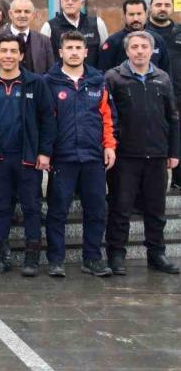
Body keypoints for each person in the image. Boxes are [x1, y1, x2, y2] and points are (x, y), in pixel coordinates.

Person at [0, 34, 55, 277]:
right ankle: (0, 256)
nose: (8, 55)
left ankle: (32, 258)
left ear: (21, 55)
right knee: (1, 207)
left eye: (13, 51)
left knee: (31, 207)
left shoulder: (35, 83)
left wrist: (44, 152)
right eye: (4, 51)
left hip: (27, 157)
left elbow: (48, 119)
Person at [105, 31, 180, 275]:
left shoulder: (162, 78)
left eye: (144, 47)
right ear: (127, 51)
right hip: (125, 156)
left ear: (151, 50)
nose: (139, 51)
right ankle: (116, 254)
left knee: (156, 210)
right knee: (120, 208)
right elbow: (107, 117)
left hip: (157, 155)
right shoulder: (114, 78)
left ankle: (156, 254)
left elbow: (173, 116)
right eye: (134, 47)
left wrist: (174, 151)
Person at [44, 31, 116, 278]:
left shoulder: (98, 81)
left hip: (93, 157)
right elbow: (45, 121)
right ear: (60, 52)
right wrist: (45, 152)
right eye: (69, 48)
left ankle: (92, 259)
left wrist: (109, 146)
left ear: (86, 52)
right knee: (57, 211)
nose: (74, 52)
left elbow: (108, 117)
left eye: (78, 48)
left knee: (96, 210)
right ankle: (56, 260)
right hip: (62, 158)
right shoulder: (49, 82)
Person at [147, 0, 181, 188]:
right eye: (158, 4)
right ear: (150, 7)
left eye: (167, 5)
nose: (162, 8)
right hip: (153, 99)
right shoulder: (143, 34)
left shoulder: (179, 32)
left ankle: (178, 182)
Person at [40, 0, 108, 67]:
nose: (70, 2)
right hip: (60, 75)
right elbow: (42, 57)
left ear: (82, 3)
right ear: (61, 2)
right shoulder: (49, 27)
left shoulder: (97, 24)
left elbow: (105, 54)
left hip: (92, 74)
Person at [98, 0, 170, 73]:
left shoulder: (157, 40)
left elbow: (166, 72)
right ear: (124, 16)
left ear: (146, 14)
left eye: (139, 14)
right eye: (131, 14)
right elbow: (103, 72)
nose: (135, 19)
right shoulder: (113, 41)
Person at [0, 0, 55, 75]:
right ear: (10, 14)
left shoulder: (44, 41)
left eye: (27, 12)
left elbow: (51, 72)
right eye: (18, 11)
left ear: (33, 15)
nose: (22, 15)